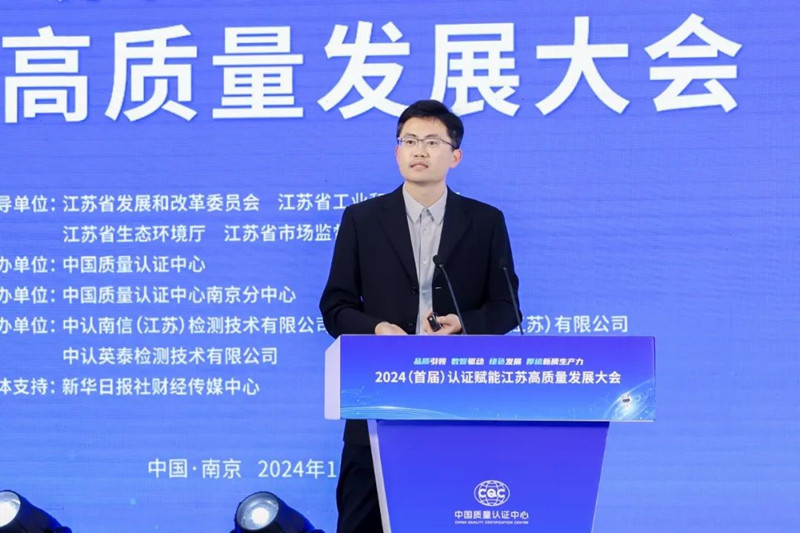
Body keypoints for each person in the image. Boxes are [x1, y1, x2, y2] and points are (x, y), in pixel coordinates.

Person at [319, 99, 521, 533]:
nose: (419, 151)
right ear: (397, 153)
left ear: (455, 156)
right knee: (362, 521)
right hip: (378, 396)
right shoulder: (362, 220)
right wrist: (377, 328)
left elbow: (507, 308)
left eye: (432, 141)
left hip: (457, 400)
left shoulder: (485, 221)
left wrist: (463, 324)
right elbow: (335, 307)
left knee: (452, 517)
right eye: (409, 141)